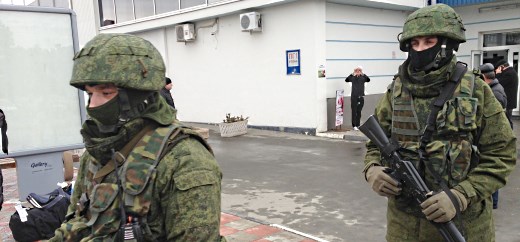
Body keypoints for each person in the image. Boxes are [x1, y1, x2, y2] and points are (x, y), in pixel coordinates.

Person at [363, 4, 516, 242]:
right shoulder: (396, 91)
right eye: (414, 44)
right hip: (404, 228)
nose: (420, 49)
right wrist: (372, 170)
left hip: (464, 225)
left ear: (448, 43)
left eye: (428, 41)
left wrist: (460, 195)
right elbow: (375, 144)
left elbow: (502, 154)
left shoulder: (476, 90)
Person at [50, 34, 224, 241]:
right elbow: (78, 219)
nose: (93, 105)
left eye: (105, 93)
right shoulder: (99, 150)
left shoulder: (185, 159)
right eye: (90, 94)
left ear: (137, 96)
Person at [479, 63, 507, 210]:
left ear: (484, 76)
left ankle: (493, 203)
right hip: (495, 135)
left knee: (491, 167)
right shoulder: (495, 89)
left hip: (494, 137)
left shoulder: (494, 93)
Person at [345, 66, 370, 130]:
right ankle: (354, 125)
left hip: (361, 96)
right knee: (354, 111)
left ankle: (358, 124)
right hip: (354, 97)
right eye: (357, 71)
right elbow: (346, 80)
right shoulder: (352, 78)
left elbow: (368, 79)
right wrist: (352, 73)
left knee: (359, 111)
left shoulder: (363, 78)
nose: (358, 72)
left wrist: (363, 74)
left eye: (359, 71)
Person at [495, 59, 518, 129]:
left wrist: (498, 74)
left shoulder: (509, 73)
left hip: (508, 101)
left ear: (501, 67)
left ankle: (510, 136)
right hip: (509, 101)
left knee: (507, 120)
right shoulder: (511, 72)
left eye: (498, 68)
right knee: (507, 119)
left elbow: (499, 82)